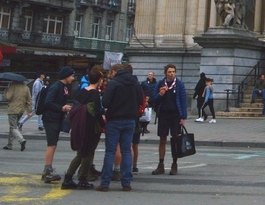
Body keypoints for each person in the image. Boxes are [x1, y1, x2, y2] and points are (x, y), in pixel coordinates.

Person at [60, 68, 104, 190]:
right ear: (99, 80)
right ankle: (83, 179)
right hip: (91, 127)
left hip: (79, 126)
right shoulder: (94, 94)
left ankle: (68, 178)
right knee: (88, 153)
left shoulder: (82, 91)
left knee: (80, 153)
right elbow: (97, 111)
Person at [98, 63, 140, 192]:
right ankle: (126, 182)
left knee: (110, 151)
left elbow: (105, 102)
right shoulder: (135, 83)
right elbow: (139, 100)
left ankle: (105, 183)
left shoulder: (114, 83)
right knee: (126, 151)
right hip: (130, 120)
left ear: (115, 72)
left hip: (115, 119)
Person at [150, 63, 188, 176]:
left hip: (175, 115)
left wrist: (183, 117)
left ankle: (174, 164)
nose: (171, 74)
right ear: (165, 73)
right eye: (169, 72)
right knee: (162, 139)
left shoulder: (179, 84)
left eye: (173, 72)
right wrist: (161, 94)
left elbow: (183, 100)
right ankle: (161, 164)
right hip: (163, 115)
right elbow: (154, 99)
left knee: (175, 140)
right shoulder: (161, 84)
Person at [41, 66, 76, 183]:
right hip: (50, 119)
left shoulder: (63, 87)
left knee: (53, 144)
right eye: (72, 76)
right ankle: (47, 171)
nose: (73, 78)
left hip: (56, 118)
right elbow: (48, 103)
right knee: (51, 144)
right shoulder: (56, 87)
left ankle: (48, 170)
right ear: (66, 76)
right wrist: (62, 108)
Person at [3, 76, 31, 152]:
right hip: (21, 110)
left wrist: (6, 92)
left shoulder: (12, 86)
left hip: (12, 109)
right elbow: (29, 100)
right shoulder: (26, 88)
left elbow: (8, 97)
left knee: (13, 127)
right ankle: (9, 144)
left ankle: (21, 140)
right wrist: (29, 111)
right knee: (13, 127)